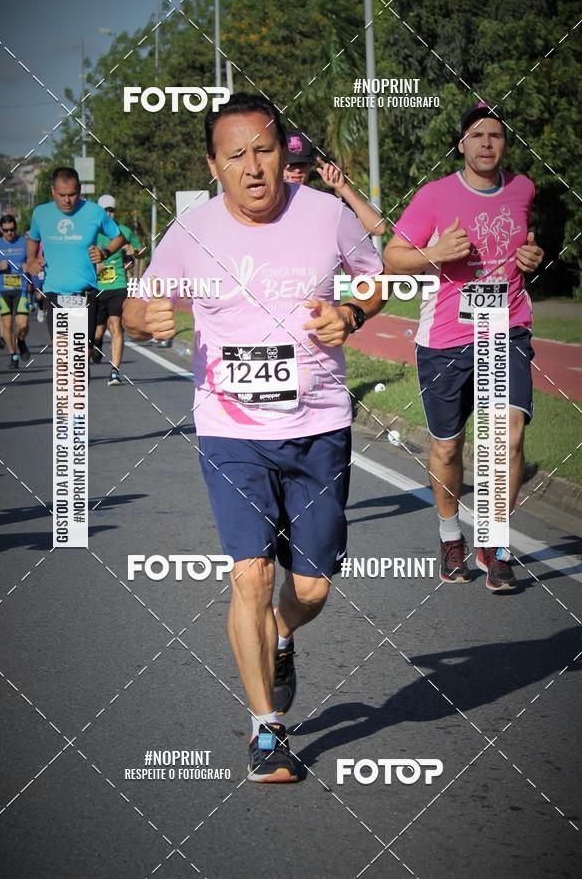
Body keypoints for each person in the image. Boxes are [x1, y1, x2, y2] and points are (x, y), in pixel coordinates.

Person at [123, 92, 385, 782]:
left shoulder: (326, 215)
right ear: (215, 165)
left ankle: (282, 633)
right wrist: (142, 316)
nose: (254, 167)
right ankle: (266, 730)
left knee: (313, 587)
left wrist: (351, 315)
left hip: (319, 425)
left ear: (282, 151)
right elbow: (139, 298)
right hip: (229, 431)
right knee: (250, 575)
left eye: (264, 149)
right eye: (235, 155)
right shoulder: (193, 231)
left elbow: (374, 280)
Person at [384, 102, 544, 592]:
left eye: (495, 135)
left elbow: (525, 243)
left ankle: (495, 543)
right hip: (447, 339)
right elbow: (392, 257)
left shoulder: (522, 190)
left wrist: (531, 256)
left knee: (509, 437)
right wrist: (434, 253)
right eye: (477, 136)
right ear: (461, 145)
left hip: (506, 327)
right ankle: (451, 535)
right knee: (447, 448)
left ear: (504, 144)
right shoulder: (434, 196)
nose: (487, 144)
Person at [26, 168, 125, 349]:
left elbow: (119, 238)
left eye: (72, 194)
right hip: (54, 292)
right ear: (52, 191)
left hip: (86, 293)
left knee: (81, 354)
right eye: (61, 194)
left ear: (79, 189)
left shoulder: (94, 212)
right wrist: (31, 260)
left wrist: (105, 253)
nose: (67, 200)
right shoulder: (41, 213)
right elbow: (33, 238)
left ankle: (80, 376)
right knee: (62, 351)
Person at [283, 130, 386, 236]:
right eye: (291, 164)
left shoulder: (323, 204)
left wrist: (343, 188)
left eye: (302, 164)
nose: (297, 170)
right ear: (279, 163)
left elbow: (378, 228)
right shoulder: (268, 206)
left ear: (309, 166)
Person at [93, 194, 141, 385]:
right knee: (96, 333)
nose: (109, 214)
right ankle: (96, 344)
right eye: (106, 211)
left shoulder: (124, 231)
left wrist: (134, 252)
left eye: (112, 210)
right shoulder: (92, 233)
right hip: (95, 288)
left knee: (115, 325)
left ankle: (115, 371)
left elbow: (141, 250)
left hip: (118, 285)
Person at [0, 215, 30, 368]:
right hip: (2, 290)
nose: (9, 233)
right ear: (1, 230)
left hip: (20, 288)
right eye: (6, 230)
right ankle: (13, 355)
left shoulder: (24, 242)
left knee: (23, 324)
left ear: (16, 228)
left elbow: (33, 260)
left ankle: (21, 340)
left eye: (12, 230)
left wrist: (28, 265)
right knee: (7, 325)